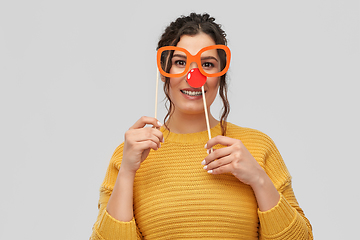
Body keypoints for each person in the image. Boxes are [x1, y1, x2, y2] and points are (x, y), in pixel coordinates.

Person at [90, 13, 313, 240]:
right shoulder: (129, 155)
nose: (193, 76)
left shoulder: (257, 147)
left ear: (220, 75)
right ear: (164, 71)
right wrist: (127, 172)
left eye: (207, 64)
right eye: (180, 62)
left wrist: (258, 178)